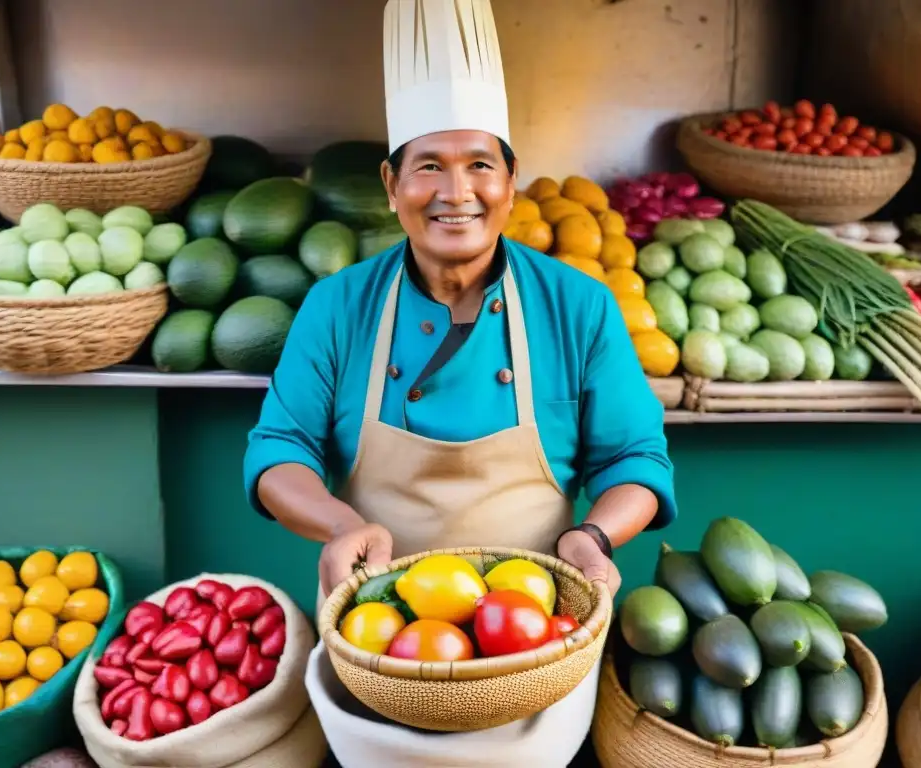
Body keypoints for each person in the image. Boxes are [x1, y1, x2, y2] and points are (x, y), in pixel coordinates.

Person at [243, 1, 677, 764]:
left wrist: (594, 535)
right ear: (390, 183)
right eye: (429, 166)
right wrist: (339, 527)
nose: (457, 191)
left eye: (481, 164)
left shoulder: (577, 305)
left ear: (512, 181)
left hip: (538, 645)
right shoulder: (338, 306)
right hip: (381, 652)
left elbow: (636, 459)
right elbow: (279, 448)